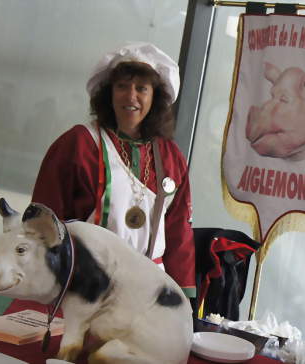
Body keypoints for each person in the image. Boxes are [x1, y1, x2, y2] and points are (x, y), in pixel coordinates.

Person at [32, 42, 195, 299]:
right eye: (122, 87)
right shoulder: (78, 144)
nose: (131, 97)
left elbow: (179, 230)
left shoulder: (171, 156)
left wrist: (184, 293)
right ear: (108, 93)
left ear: (156, 97)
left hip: (148, 291)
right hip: (83, 286)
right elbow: (44, 217)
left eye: (141, 88)